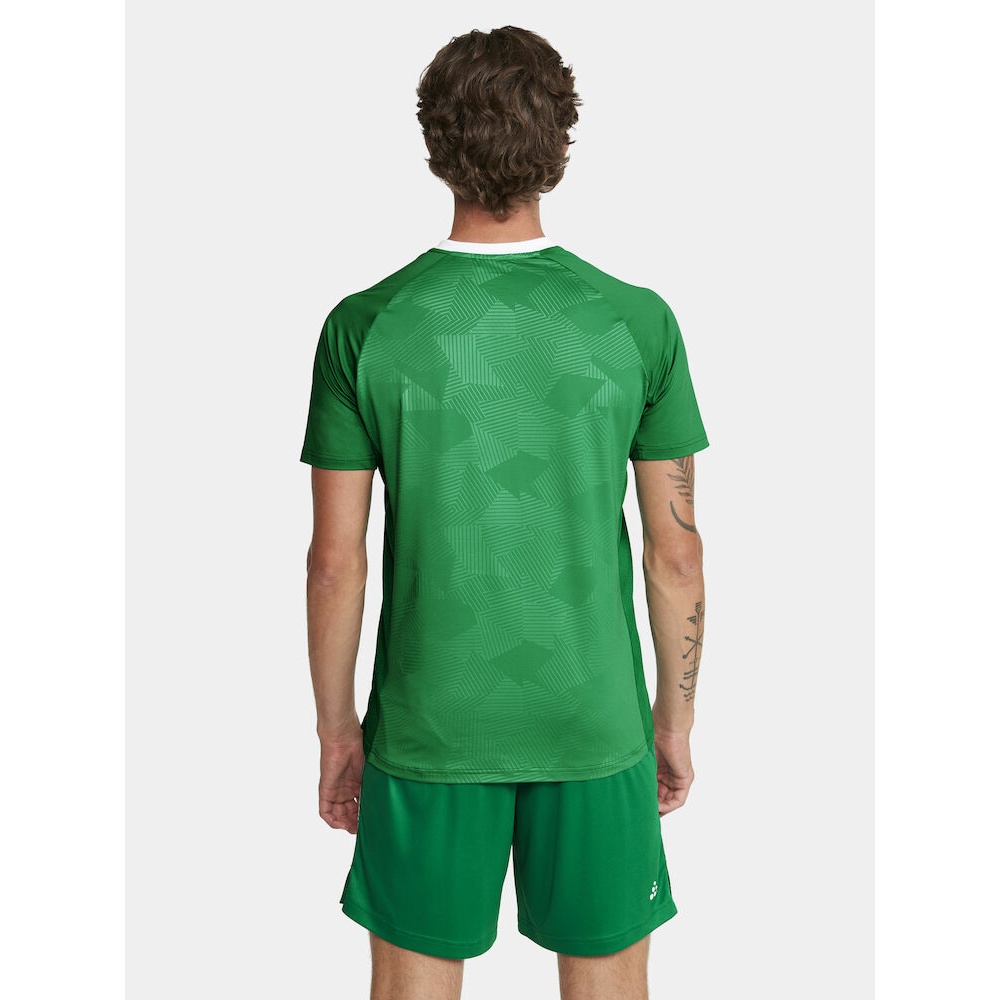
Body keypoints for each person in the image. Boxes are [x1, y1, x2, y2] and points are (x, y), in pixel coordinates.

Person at [299, 25, 709, 1000]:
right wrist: (672, 719)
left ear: (434, 142)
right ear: (561, 141)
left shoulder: (365, 325)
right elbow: (675, 554)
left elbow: (335, 562)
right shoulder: (635, 320)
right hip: (594, 717)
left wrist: (338, 732)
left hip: (429, 722)